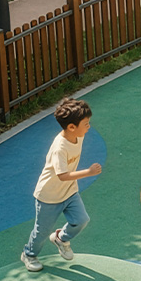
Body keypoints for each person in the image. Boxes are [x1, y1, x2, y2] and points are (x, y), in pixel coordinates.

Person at [21, 98, 102, 272]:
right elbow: (62, 175)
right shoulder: (60, 147)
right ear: (71, 127)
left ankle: (60, 238)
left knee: (81, 220)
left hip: (69, 191)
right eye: (86, 123)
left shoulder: (78, 136)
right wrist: (88, 172)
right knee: (42, 232)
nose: (89, 126)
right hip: (49, 196)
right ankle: (29, 254)